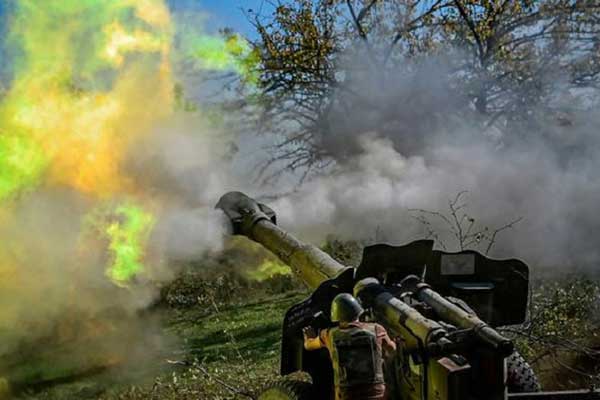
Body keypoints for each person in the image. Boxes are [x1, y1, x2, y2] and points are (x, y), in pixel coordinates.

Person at [303, 293, 396, 400]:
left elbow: (308, 345)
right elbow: (392, 349)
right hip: (377, 394)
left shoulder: (329, 335)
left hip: (347, 396)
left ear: (336, 317)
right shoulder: (376, 329)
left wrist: (308, 337)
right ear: (358, 311)